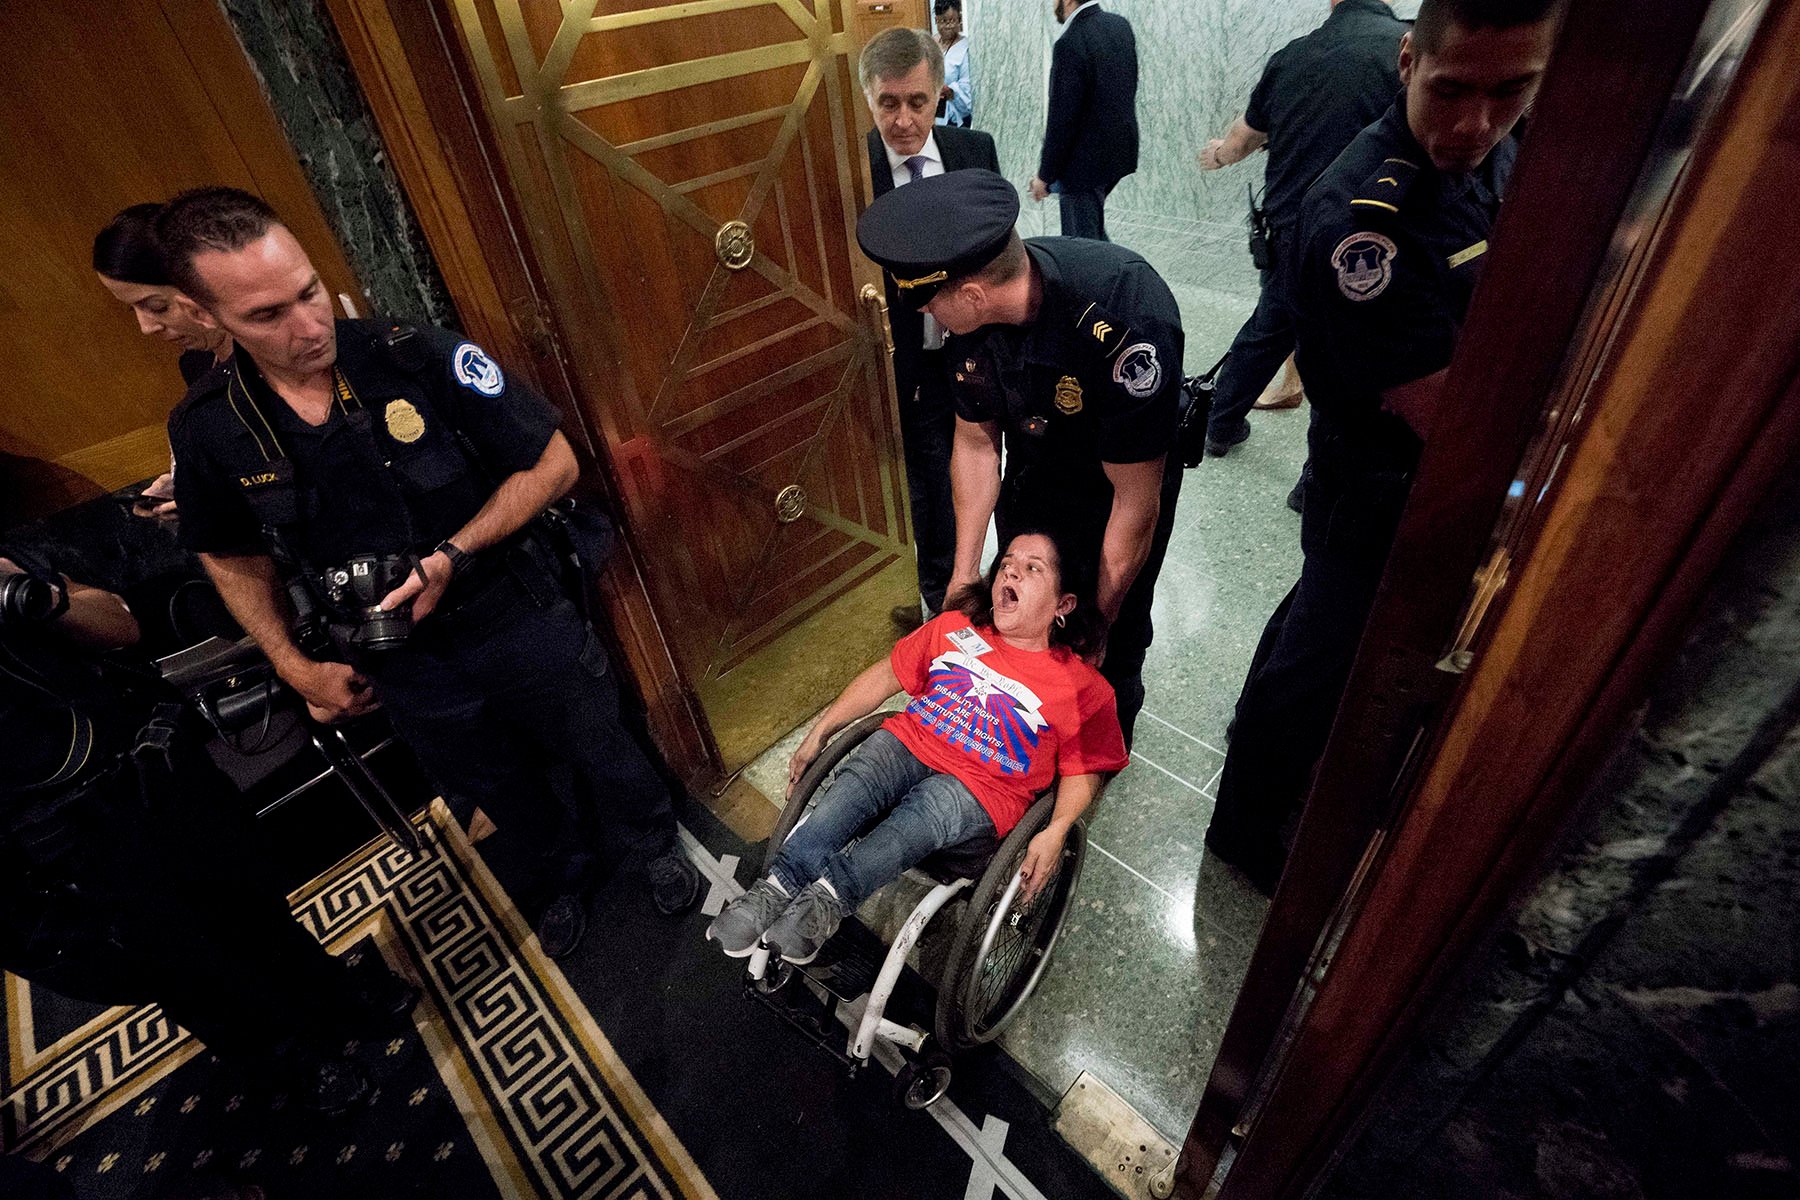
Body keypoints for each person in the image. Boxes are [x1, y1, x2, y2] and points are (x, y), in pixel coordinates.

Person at [157, 187, 700, 959]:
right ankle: (562, 873)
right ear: (209, 318)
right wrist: (292, 664)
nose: (308, 327)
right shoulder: (210, 426)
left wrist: (455, 553)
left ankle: (652, 846)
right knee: (495, 782)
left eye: (308, 291)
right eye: (267, 316)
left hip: (507, 605)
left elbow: (555, 462)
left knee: (600, 739)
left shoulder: (409, 355)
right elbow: (229, 553)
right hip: (398, 658)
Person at [1204, 0, 1559, 896]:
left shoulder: (1491, 150)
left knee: (1308, 634)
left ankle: (1256, 754)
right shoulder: (1362, 226)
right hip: (1375, 484)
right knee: (1321, 660)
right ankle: (1245, 831)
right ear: (1408, 61)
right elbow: (1449, 416)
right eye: (1452, 91)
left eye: (1511, 91)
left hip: (1406, 483)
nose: (1477, 123)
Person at [0, 549, 404, 1112]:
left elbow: (122, 624)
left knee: (251, 897)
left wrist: (35, 596)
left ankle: (328, 991)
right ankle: (286, 1058)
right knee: (186, 966)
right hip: (59, 841)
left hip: (149, 768)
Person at [857, 169, 1184, 746]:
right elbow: (976, 443)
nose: (928, 317)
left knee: (1111, 642)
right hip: (1036, 479)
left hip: (1115, 497)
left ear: (974, 295)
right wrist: (961, 579)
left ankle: (1102, 747)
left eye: (931, 304)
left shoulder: (1125, 314)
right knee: (1017, 621)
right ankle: (1026, 744)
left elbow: (1136, 501)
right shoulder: (974, 319)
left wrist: (1097, 620)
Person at [707, 531, 1126, 964]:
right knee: (868, 767)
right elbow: (885, 676)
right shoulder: (954, 628)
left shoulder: (1081, 689)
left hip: (979, 793)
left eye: (1032, 568)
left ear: (1063, 605)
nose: (1012, 570)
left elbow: (1083, 770)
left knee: (934, 803)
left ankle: (826, 903)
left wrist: (1056, 831)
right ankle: (776, 886)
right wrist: (821, 730)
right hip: (910, 745)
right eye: (1007, 562)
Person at [1195, 0, 1409, 457]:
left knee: (1271, 326)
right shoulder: (1406, 51)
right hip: (1370, 232)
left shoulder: (1291, 56)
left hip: (1292, 226)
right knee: (1348, 351)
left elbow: (1241, 141)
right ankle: (1314, 477)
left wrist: (1217, 153)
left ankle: (1219, 423)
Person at [861, 27, 1000, 629]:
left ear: (939, 94)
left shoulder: (974, 151)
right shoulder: (854, 167)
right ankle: (937, 608)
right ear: (869, 98)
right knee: (928, 484)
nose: (902, 120)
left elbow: (999, 245)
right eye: (888, 103)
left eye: (917, 102)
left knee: (993, 465)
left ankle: (999, 586)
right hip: (910, 361)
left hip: (981, 348)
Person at [93, 203, 238, 518]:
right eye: (132, 309)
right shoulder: (197, 363)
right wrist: (187, 485)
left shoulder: (278, 360)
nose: (146, 328)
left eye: (156, 306)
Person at [1028, 0, 1139, 242]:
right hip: (1119, 155)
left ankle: (1113, 278)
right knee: (1092, 233)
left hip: (1082, 167)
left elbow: (1062, 120)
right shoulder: (1120, 26)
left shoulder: (1070, 42)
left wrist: (1044, 177)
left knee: (1082, 248)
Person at [935, 1, 973, 128]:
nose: (948, 26)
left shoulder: (965, 47)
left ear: (959, 19)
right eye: (943, 21)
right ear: (936, 20)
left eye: (952, 21)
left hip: (955, 121)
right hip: (932, 116)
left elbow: (967, 93)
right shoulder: (930, 43)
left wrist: (948, 90)